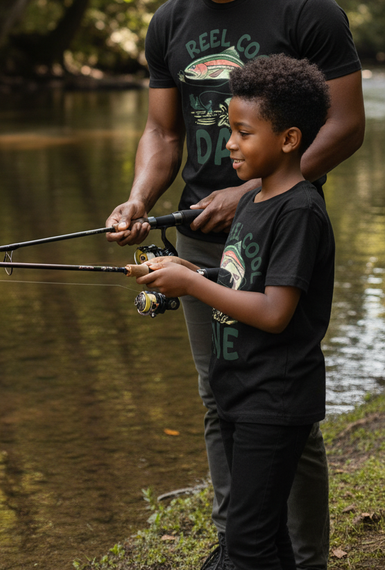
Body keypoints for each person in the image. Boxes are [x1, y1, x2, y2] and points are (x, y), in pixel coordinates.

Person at [105, 0, 365, 570]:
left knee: (281, 408)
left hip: (278, 233)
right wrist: (140, 199)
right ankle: (241, 547)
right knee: (221, 395)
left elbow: (345, 126)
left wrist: (248, 196)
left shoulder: (305, 8)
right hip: (197, 236)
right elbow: (162, 133)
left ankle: (304, 557)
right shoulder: (169, 20)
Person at [136, 54, 335, 570]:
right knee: (267, 536)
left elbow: (274, 312)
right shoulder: (252, 203)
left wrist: (193, 286)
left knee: (246, 546)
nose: (228, 143)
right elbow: (241, 281)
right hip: (239, 393)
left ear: (289, 139)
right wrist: (188, 271)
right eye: (229, 130)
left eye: (243, 133)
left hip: (275, 399)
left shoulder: (299, 210)